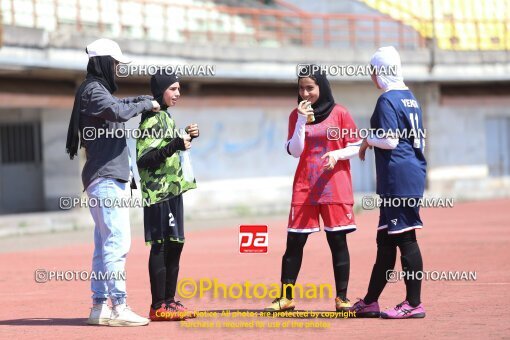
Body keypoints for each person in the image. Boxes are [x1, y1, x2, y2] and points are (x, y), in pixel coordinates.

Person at [66, 38, 160, 326]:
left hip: (104, 179)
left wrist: (144, 102)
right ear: (104, 62)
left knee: (105, 244)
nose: (118, 69)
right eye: (116, 63)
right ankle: (119, 306)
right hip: (106, 179)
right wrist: (148, 102)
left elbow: (120, 105)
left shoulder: (96, 91)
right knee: (117, 242)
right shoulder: (94, 91)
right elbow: (119, 111)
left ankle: (99, 307)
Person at [265, 67, 361, 312]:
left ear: (322, 87)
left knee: (337, 241)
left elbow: (358, 145)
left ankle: (342, 298)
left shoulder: (340, 113)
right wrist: (299, 119)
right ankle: (286, 297)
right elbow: (295, 150)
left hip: (334, 187)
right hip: (305, 187)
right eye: (301, 88)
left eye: (310, 88)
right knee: (294, 243)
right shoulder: (294, 116)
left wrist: (337, 154)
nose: (305, 93)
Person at [353, 46, 427, 319]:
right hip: (407, 174)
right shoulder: (409, 97)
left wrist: (367, 139)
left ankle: (414, 303)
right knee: (385, 240)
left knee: (406, 238)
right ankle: (371, 301)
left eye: (374, 71)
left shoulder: (387, 100)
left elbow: (390, 139)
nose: (373, 77)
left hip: (399, 177)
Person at [136, 72, 199, 321]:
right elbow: (144, 159)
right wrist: (175, 144)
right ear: (161, 90)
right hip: (158, 193)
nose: (177, 93)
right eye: (173, 88)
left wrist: (185, 136)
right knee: (161, 247)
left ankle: (169, 302)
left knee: (176, 245)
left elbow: (169, 147)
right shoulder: (151, 119)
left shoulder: (165, 116)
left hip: (173, 191)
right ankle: (158, 305)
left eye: (179, 88)